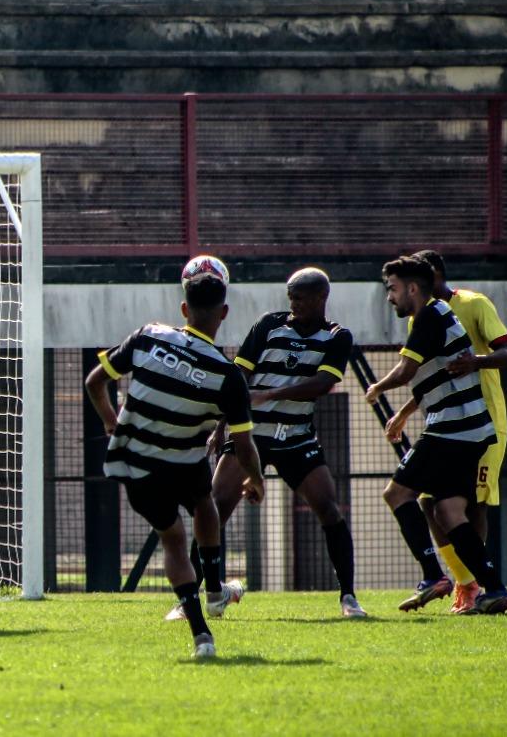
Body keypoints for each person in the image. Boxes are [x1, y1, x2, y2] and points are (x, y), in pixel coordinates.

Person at [85, 274, 264, 659]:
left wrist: (110, 420)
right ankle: (215, 590)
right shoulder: (228, 374)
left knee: (177, 539)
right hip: (183, 462)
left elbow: (94, 381)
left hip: (137, 464)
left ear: (184, 309)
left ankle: (203, 633)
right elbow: (244, 444)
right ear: (225, 313)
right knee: (204, 506)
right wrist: (256, 476)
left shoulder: (149, 336)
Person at [209, 268, 366, 618]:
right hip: (250, 433)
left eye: (300, 298)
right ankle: (203, 596)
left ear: (320, 299)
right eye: (290, 297)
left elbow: (324, 383)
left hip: (296, 437)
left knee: (329, 509)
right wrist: (221, 425)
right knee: (214, 509)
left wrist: (272, 394)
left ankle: (349, 598)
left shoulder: (337, 337)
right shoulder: (268, 325)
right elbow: (240, 377)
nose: (292, 304)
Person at [366, 256, 507, 615]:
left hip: (452, 427)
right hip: (469, 429)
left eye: (393, 289)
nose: (390, 298)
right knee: (449, 511)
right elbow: (429, 377)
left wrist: (376, 388)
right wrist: (403, 413)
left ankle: (434, 576)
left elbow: (406, 371)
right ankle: (494, 588)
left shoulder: (431, 315)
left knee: (397, 493)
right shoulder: (433, 316)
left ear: (413, 288)